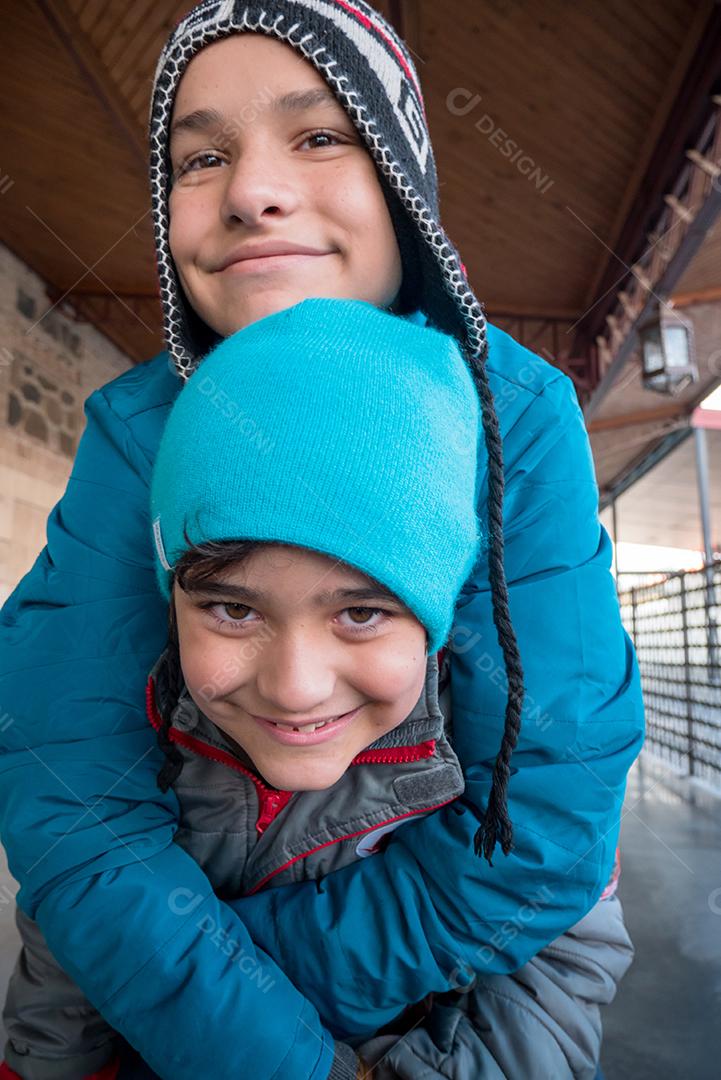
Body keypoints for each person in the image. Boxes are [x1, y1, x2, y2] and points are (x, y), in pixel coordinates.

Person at [0, 1, 644, 1077]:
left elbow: (539, 822)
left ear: (405, 181)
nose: (251, 190)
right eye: (200, 156)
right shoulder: (135, 427)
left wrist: (215, 1000)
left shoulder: (514, 417)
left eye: (319, 135)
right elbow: (70, 784)